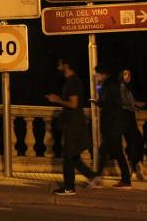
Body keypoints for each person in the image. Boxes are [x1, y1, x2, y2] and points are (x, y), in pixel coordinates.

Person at [46, 58, 100, 195]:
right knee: (73, 156)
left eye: (60, 63)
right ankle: (93, 176)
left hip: (75, 125)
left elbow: (74, 104)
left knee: (68, 157)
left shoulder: (73, 82)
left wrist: (57, 100)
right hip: (73, 124)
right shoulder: (71, 81)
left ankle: (69, 187)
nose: (58, 66)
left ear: (66, 65)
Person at [92, 64, 132, 189]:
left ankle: (98, 178)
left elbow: (113, 105)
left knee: (102, 151)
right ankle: (126, 180)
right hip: (114, 125)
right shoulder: (108, 85)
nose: (96, 76)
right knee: (119, 153)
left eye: (98, 74)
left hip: (112, 125)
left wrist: (99, 102)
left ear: (103, 74)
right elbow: (108, 102)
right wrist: (99, 100)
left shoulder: (110, 86)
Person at [119, 68, 147, 180]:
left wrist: (136, 104)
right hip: (125, 117)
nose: (127, 76)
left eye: (129, 74)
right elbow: (124, 101)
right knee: (137, 141)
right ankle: (134, 170)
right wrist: (136, 103)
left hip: (129, 116)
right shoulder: (121, 86)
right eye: (125, 74)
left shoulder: (127, 87)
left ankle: (135, 170)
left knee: (135, 142)